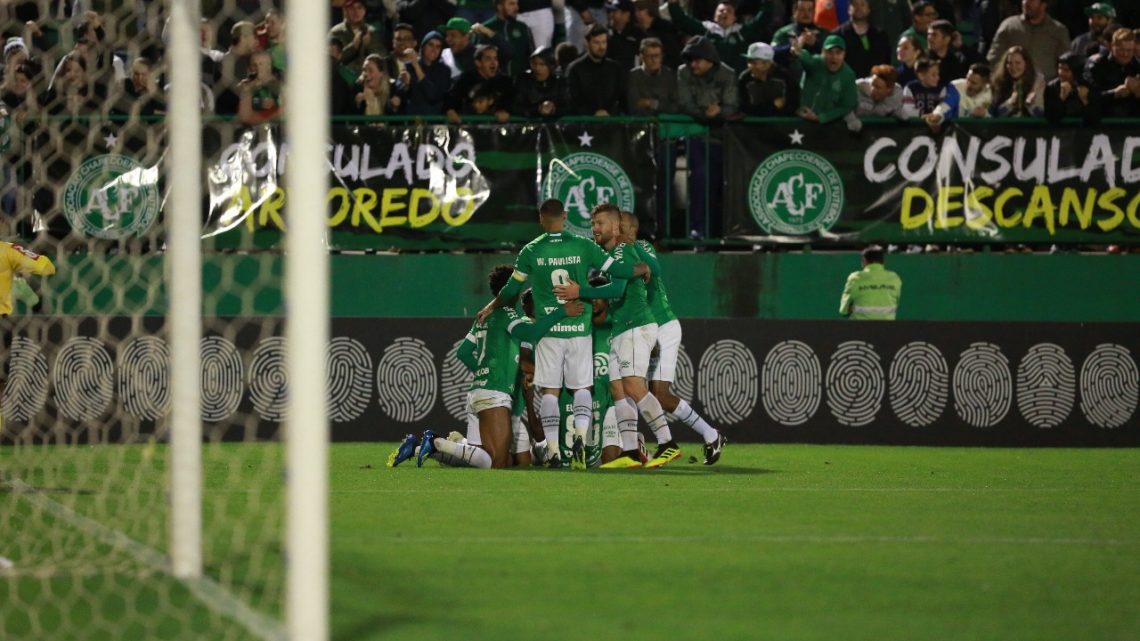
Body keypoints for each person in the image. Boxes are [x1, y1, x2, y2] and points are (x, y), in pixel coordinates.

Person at [475, 198, 647, 468]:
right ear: (565, 216)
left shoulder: (532, 250)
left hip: (550, 331)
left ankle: (554, 450)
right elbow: (618, 272)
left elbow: (511, 290)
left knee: (551, 392)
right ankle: (580, 437)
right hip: (579, 327)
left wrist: (491, 304)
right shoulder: (584, 246)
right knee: (582, 388)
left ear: (541, 219)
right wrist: (641, 267)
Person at [391, 265, 582, 468]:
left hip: (477, 391)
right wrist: (562, 312)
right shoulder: (506, 313)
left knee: (482, 459)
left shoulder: (485, 315)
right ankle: (436, 442)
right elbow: (530, 334)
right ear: (511, 289)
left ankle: (421, 448)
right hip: (494, 393)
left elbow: (463, 352)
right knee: (496, 462)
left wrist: (483, 372)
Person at [553, 204, 681, 469]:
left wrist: (581, 292)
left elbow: (620, 287)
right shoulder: (610, 255)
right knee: (617, 388)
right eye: (592, 224)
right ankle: (632, 451)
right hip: (621, 328)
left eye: (600, 223)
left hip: (636, 325)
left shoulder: (622, 249)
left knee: (634, 387)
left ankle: (667, 443)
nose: (595, 229)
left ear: (615, 226)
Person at [622, 212, 726, 465]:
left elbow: (648, 272)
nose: (616, 230)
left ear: (632, 229)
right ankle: (636, 446)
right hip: (642, 328)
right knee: (630, 386)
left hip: (662, 328)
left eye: (620, 226)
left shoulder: (642, 248)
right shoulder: (618, 252)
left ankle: (710, 434)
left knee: (659, 394)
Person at [668, 0, 771, 72]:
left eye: (729, 11)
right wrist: (673, 4)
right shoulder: (705, 29)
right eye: (720, 11)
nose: (724, 13)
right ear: (714, 16)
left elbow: (763, 19)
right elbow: (682, 21)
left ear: (734, 18)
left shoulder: (742, 32)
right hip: (710, 80)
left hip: (737, 79)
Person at [986, 0, 1070, 81]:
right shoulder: (1009, 26)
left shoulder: (1058, 31)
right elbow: (994, 58)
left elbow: (1065, 64)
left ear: (1043, 4)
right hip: (1011, 87)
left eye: (1031, 0)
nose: (1026, 3)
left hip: (1045, 89)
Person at [793, 33, 857, 124]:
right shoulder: (816, 63)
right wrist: (798, 52)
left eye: (838, 52)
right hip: (799, 121)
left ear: (844, 54)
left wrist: (821, 118)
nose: (834, 57)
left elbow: (847, 105)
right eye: (829, 52)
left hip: (828, 126)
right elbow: (806, 58)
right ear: (822, 52)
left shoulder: (848, 75)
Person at [565, 24, 627, 115]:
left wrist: (609, 112)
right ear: (587, 43)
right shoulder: (575, 69)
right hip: (583, 124)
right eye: (596, 43)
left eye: (604, 42)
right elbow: (572, 100)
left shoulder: (615, 68)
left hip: (612, 123)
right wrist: (592, 113)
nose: (601, 47)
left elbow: (621, 97)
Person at [1085, 27, 1140, 119]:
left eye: (1129, 50)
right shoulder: (1097, 66)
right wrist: (1114, 93)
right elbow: (1089, 98)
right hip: (1103, 123)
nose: (1125, 54)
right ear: (1112, 46)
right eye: (1121, 49)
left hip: (1133, 125)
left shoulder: (1138, 67)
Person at [839, 245, 900, 321]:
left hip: (859, 328)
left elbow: (843, 310)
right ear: (883, 262)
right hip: (888, 328)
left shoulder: (855, 278)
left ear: (864, 260)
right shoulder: (895, 278)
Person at [833, 0, 891, 78]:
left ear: (868, 9)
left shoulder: (880, 35)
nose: (859, 8)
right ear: (848, 9)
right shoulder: (838, 35)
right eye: (855, 4)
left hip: (876, 86)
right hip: (848, 85)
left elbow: (887, 63)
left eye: (862, 4)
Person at [478, 0, 536, 79]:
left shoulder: (522, 27)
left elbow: (531, 54)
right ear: (500, 6)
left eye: (517, 4)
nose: (516, 7)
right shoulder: (486, 28)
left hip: (520, 81)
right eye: (511, 4)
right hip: (495, 82)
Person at [738, 41, 797, 116]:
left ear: (768, 63)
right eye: (749, 62)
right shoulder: (744, 79)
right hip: (752, 126)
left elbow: (792, 107)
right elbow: (745, 109)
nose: (750, 66)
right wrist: (773, 106)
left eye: (754, 63)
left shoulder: (785, 78)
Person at [401, 31, 452, 115]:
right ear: (423, 46)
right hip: (412, 121)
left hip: (434, 121)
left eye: (438, 47)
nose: (434, 50)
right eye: (430, 45)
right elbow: (401, 92)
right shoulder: (409, 67)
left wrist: (416, 66)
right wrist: (405, 84)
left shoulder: (444, 71)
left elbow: (433, 95)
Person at [927, 62, 992, 125]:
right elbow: (946, 104)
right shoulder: (956, 87)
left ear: (985, 84)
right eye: (968, 79)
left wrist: (985, 114)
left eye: (974, 83)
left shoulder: (992, 94)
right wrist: (938, 114)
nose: (968, 85)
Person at [512, 46, 569, 118]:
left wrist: (553, 109)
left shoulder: (560, 82)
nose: (537, 68)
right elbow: (516, 107)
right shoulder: (523, 81)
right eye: (534, 64)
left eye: (542, 65)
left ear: (550, 66)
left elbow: (568, 107)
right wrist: (538, 109)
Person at [628, 37, 679, 115]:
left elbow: (675, 107)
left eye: (657, 55)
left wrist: (652, 103)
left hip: (665, 124)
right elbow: (633, 106)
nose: (654, 59)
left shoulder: (670, 76)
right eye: (650, 56)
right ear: (642, 57)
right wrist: (662, 105)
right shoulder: (633, 76)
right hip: (640, 123)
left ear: (661, 56)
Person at [990, 45, 1044, 117]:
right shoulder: (998, 82)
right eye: (1009, 63)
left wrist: (1030, 103)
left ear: (1026, 64)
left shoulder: (1037, 82)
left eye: (1018, 63)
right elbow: (995, 115)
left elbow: (1040, 115)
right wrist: (1011, 102)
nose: (1013, 67)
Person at [1044, 52, 1097, 124]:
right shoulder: (1052, 87)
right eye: (1060, 68)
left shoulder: (1088, 87)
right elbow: (1051, 118)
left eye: (1066, 70)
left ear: (1075, 71)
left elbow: (1095, 119)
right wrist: (1061, 99)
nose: (1061, 73)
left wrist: (1085, 101)